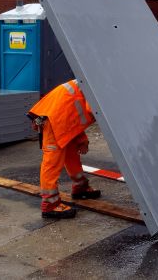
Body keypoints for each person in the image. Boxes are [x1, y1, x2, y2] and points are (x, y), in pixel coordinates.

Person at [28, 79, 101, 219]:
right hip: (54, 120)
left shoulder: (89, 79)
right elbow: (93, 110)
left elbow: (74, 111)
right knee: (52, 163)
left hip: (63, 119)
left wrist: (82, 140)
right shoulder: (96, 84)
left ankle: (81, 187)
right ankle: (50, 205)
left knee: (72, 155)